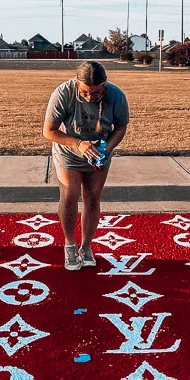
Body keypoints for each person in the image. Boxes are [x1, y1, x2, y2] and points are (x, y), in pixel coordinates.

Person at [43, 60, 129, 270]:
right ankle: (70, 244)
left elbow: (120, 128)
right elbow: (49, 131)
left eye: (96, 93)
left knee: (92, 197)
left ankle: (86, 246)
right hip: (69, 151)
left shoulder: (116, 96)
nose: (90, 97)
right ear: (77, 84)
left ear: (104, 86)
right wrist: (78, 144)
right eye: (85, 92)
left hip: (99, 151)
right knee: (70, 194)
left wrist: (106, 150)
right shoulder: (63, 93)